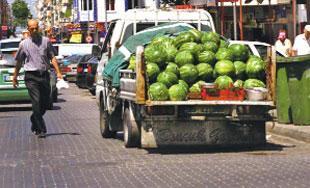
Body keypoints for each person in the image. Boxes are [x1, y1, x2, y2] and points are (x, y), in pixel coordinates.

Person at [13, 19, 63, 138]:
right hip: (31, 77)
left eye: (36, 28)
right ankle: (41, 129)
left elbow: (52, 58)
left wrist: (59, 73)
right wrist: (15, 77)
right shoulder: (23, 44)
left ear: (39, 28)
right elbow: (19, 62)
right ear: (28, 29)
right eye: (32, 28)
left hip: (44, 75)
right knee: (36, 101)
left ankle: (34, 118)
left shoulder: (46, 41)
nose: (34, 30)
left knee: (45, 103)